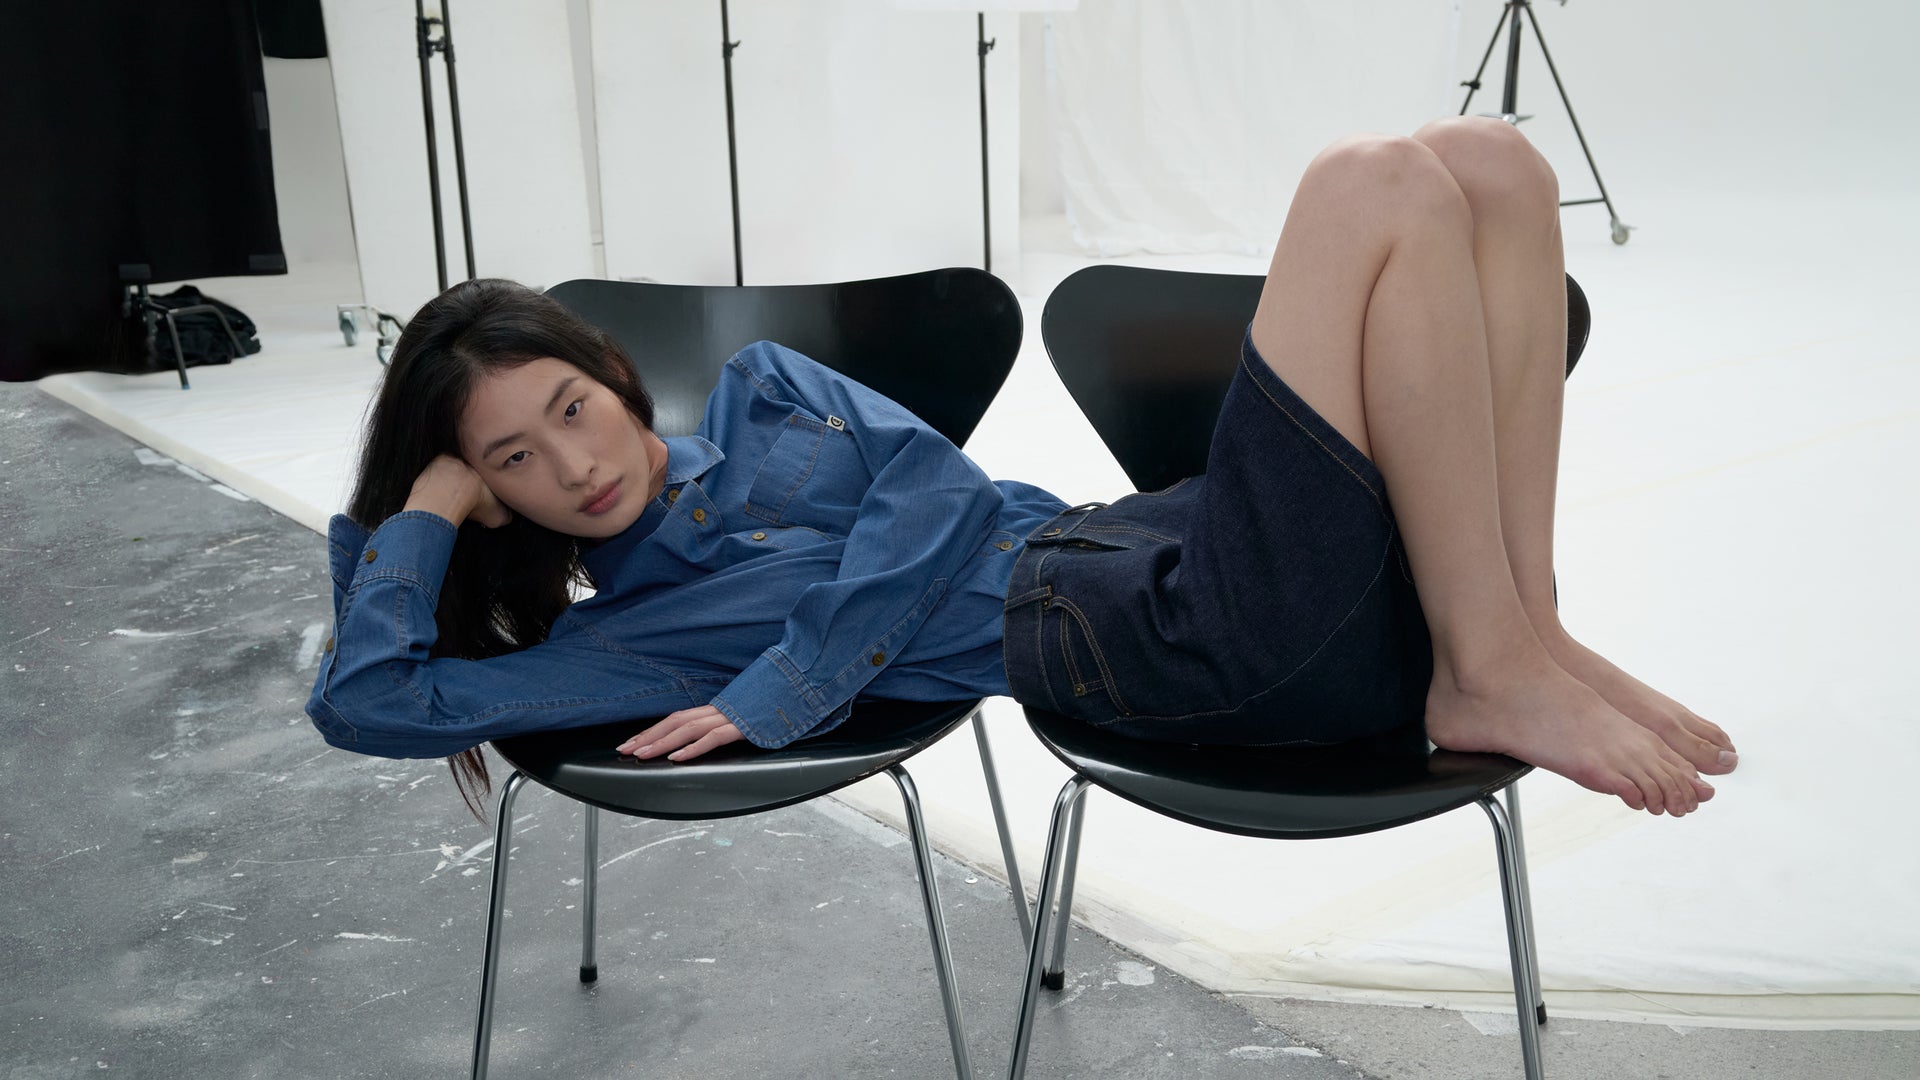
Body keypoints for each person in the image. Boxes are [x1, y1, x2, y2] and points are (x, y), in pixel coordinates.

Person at [308, 118, 1735, 818]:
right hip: (1179, 644)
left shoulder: (762, 394)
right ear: (495, 493)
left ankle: (1520, 632)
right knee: (1368, 185)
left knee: (1492, 167)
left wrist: (800, 671)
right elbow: (374, 700)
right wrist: (423, 511)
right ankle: (1490, 660)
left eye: (569, 407)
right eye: (514, 460)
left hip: (1170, 554)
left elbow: (930, 485)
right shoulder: (631, 644)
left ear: (613, 376)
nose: (574, 463)